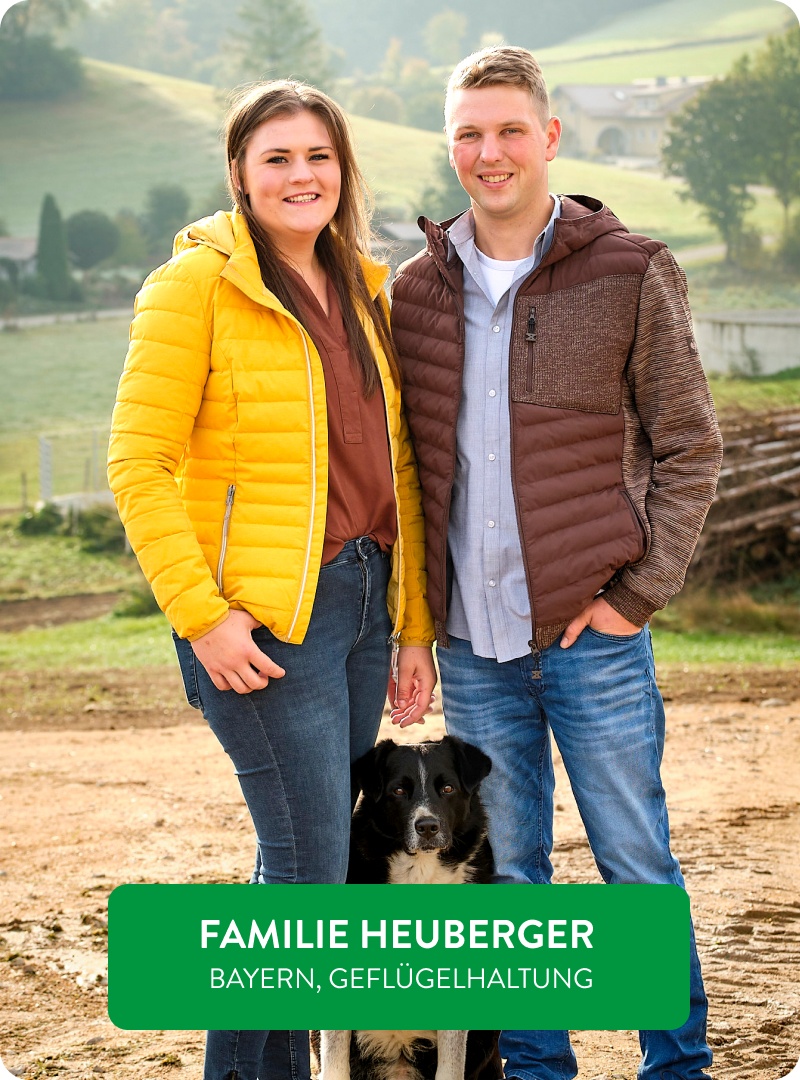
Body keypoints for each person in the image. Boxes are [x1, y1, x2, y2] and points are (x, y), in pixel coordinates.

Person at [390, 46, 723, 1080]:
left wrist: (636, 595)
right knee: (508, 877)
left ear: (549, 138)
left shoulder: (629, 271)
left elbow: (689, 445)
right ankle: (539, 1071)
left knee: (634, 864)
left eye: (507, 130)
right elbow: (408, 470)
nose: (488, 153)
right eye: (467, 134)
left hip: (595, 639)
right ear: (450, 145)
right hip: (475, 649)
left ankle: (676, 1065)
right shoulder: (414, 290)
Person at [108, 80, 436, 1080]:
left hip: (357, 605)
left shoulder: (363, 289)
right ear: (241, 177)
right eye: (277, 159)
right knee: (311, 873)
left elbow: (400, 469)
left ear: (343, 169)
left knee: (300, 862)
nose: (302, 176)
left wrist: (411, 622)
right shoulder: (194, 286)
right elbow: (137, 463)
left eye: (318, 157)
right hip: (261, 624)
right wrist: (201, 618)